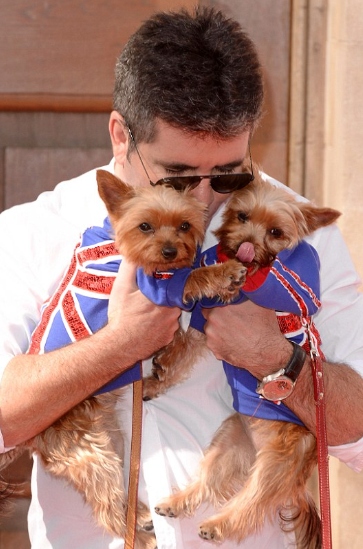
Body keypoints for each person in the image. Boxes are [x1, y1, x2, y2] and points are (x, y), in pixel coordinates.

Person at [0, 6, 362, 549]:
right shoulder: (34, 233)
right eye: (178, 176)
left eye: (230, 173)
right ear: (121, 135)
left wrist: (274, 358)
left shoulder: (295, 234)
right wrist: (121, 344)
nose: (206, 198)